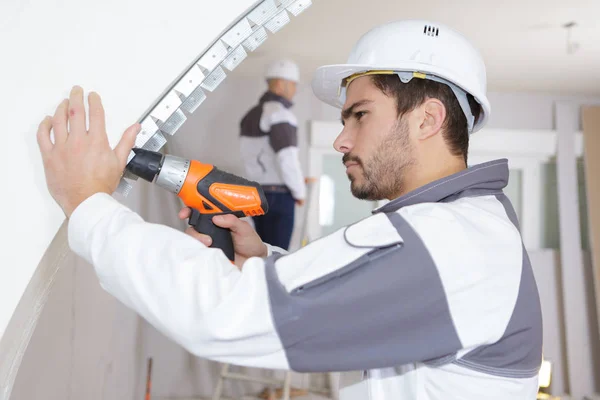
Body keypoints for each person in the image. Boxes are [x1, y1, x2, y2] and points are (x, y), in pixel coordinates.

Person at [37, 19, 542, 400]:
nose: (342, 140)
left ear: (428, 119)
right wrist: (264, 265)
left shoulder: (452, 244)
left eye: (359, 115)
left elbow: (225, 316)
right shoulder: (466, 231)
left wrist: (89, 205)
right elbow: (362, 312)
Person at [239, 59, 306, 250]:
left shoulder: (250, 114)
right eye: (293, 84)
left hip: (257, 194)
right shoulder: (279, 113)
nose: (294, 90)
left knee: (261, 251)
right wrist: (299, 191)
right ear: (280, 83)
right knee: (277, 255)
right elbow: (287, 158)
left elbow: (260, 156)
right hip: (279, 197)